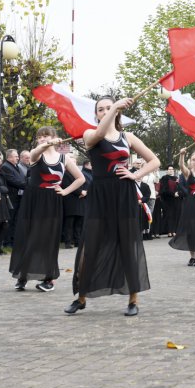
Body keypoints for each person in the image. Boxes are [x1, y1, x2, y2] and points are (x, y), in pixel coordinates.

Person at [66, 97, 159, 316]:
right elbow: (97, 136)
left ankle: (133, 299)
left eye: (109, 107)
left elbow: (154, 161)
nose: (105, 110)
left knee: (128, 244)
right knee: (90, 246)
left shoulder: (128, 137)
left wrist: (135, 174)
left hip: (124, 194)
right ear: (97, 115)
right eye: (101, 109)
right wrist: (116, 106)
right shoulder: (90, 134)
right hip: (100, 195)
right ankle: (81, 298)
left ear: (116, 113)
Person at [11, 128, 85, 292]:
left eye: (46, 136)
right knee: (30, 237)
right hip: (34, 200)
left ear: (55, 137)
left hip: (53, 201)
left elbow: (81, 178)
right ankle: (23, 275)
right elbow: (35, 153)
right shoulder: (36, 155)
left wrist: (65, 191)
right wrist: (48, 143)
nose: (41, 139)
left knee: (48, 239)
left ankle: (48, 279)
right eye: (39, 137)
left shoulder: (64, 158)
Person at [0, 149, 28, 248]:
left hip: (17, 197)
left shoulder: (14, 166)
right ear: (9, 157)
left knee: (15, 220)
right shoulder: (5, 167)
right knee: (10, 220)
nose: (17, 158)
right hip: (11, 197)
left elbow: (20, 179)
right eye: (15, 156)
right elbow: (13, 181)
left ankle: (13, 240)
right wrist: (28, 184)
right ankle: (7, 242)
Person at [61, 152, 88, 249]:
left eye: (74, 162)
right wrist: (81, 192)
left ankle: (78, 241)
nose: (73, 164)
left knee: (79, 223)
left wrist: (85, 191)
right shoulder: (65, 174)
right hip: (70, 200)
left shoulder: (80, 174)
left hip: (80, 200)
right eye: (71, 162)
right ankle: (68, 242)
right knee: (69, 223)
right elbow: (67, 185)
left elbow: (86, 183)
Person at [151, 166, 182, 237]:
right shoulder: (164, 178)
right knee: (168, 215)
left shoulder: (176, 178)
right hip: (167, 199)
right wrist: (173, 194)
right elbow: (163, 190)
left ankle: (174, 230)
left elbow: (180, 187)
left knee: (175, 214)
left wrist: (178, 193)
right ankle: (169, 231)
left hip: (176, 199)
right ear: (167, 171)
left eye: (172, 169)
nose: (171, 170)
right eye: (169, 169)